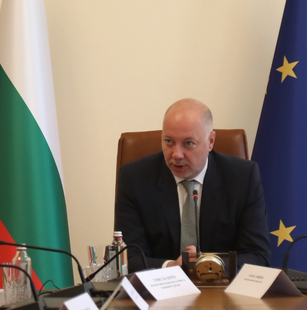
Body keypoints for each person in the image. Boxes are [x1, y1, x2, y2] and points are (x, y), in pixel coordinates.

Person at [115, 98, 271, 272]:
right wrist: (171, 267)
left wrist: (207, 266)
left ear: (210, 141)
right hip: (158, 285)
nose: (177, 154)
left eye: (188, 143)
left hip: (222, 286)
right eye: (169, 141)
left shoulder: (242, 178)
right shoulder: (135, 178)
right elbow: (128, 258)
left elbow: (257, 255)